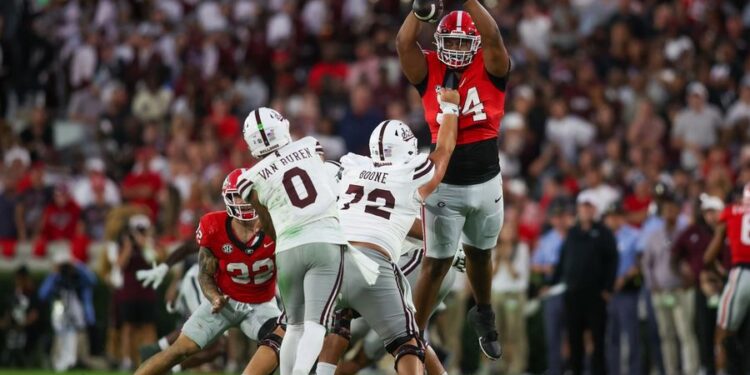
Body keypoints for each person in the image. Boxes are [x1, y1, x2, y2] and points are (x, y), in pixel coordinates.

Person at [397, 0, 512, 359]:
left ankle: (485, 312)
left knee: (480, 255)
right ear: (439, 40)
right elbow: (403, 44)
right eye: (451, 41)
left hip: (487, 180)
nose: (458, 49)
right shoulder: (429, 66)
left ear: (475, 44)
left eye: (465, 42)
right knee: (436, 263)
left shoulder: (490, 63)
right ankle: (411, 334)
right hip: (443, 184)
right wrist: (419, 11)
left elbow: (493, 36)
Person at [316, 87, 460, 375]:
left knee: (335, 326)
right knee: (407, 341)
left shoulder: (351, 169)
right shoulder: (409, 175)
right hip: (375, 263)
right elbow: (443, 151)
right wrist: (450, 110)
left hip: (332, 262)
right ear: (408, 149)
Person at [135, 169, 284, 375]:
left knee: (284, 346)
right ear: (228, 198)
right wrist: (214, 297)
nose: (244, 201)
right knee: (179, 350)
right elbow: (205, 274)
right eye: (238, 195)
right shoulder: (213, 226)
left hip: (261, 305)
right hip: (224, 302)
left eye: (249, 194)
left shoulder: (277, 225)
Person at [236, 108, 348, 375]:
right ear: (282, 128)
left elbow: (268, 223)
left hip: (286, 248)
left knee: (293, 327)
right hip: (324, 240)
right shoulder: (310, 145)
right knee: (316, 325)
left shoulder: (248, 180)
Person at [554, 191, 618, 375]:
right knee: (574, 340)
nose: (586, 210)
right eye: (583, 206)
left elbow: (612, 261)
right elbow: (563, 259)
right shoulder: (572, 233)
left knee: (598, 339)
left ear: (595, 209)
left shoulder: (604, 233)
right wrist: (553, 282)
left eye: (589, 206)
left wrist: (608, 288)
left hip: (596, 295)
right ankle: (576, 371)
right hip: (573, 295)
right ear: (578, 208)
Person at [642, 191, 699, 375]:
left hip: (682, 289)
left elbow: (693, 259)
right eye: (666, 210)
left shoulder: (685, 233)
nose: (669, 213)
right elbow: (646, 263)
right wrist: (653, 285)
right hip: (661, 291)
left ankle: (691, 370)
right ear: (662, 213)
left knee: (686, 333)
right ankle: (671, 370)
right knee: (666, 335)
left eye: (673, 209)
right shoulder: (654, 235)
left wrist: (690, 280)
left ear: (678, 211)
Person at [672, 194, 729, 375]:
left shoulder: (731, 229)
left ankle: (727, 368)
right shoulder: (694, 231)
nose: (709, 216)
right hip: (701, 289)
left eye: (713, 212)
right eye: (706, 212)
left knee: (728, 332)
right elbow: (675, 255)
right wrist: (684, 272)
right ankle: (708, 368)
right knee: (704, 331)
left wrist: (721, 277)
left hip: (727, 287)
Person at [704, 183, 750, 374]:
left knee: (722, 332)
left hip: (741, 273)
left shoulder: (731, 212)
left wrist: (718, 270)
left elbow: (708, 258)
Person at [531, 197, 573, 375]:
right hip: (553, 290)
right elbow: (533, 265)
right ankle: (556, 370)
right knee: (553, 335)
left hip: (573, 290)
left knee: (574, 334)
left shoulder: (575, 236)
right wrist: (546, 268)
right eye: (556, 216)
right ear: (551, 219)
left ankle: (573, 367)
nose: (560, 220)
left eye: (562, 216)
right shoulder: (546, 240)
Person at [38, 251, 97, 372]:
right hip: (61, 317)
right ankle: (60, 364)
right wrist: (55, 274)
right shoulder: (56, 278)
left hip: (79, 318)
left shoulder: (79, 277)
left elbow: (92, 281)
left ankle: (80, 363)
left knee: (80, 343)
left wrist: (76, 265)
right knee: (61, 339)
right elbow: (42, 294)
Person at [602, 202, 642, 375]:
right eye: (610, 217)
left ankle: (635, 371)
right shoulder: (602, 237)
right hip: (608, 293)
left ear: (622, 217)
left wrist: (624, 277)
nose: (613, 220)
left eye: (616, 216)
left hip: (628, 291)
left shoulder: (633, 235)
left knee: (631, 335)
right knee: (612, 337)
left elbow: (640, 262)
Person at [491, 222, 530, 374]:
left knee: (516, 332)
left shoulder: (521, 249)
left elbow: (516, 275)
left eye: (510, 230)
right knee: (498, 331)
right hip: (497, 294)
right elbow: (492, 275)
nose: (507, 233)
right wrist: (499, 258)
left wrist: (506, 259)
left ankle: (518, 366)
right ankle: (500, 366)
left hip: (514, 294)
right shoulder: (495, 249)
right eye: (505, 230)